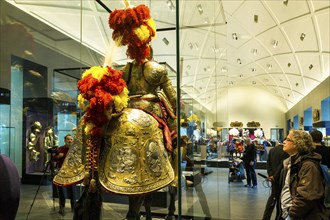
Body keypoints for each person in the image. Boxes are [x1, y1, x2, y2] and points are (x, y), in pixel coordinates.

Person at [277, 129, 329, 220]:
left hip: (300, 216)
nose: (284, 142)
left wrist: (291, 212)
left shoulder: (308, 166)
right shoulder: (290, 163)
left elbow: (307, 196)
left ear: (298, 144)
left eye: (288, 140)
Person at [262, 143, 288, 220]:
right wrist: (275, 176)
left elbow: (268, 163)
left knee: (272, 198)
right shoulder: (285, 152)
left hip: (273, 178)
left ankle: (266, 217)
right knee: (279, 200)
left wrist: (270, 175)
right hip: (280, 178)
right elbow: (281, 165)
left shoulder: (272, 150)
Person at [52, 134, 75, 216]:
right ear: (65, 140)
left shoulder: (74, 150)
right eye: (68, 139)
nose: (70, 141)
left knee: (72, 190)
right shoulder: (60, 149)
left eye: (71, 139)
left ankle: (73, 207)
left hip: (71, 173)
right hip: (61, 173)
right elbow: (54, 158)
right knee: (61, 191)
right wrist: (59, 156)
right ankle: (62, 207)